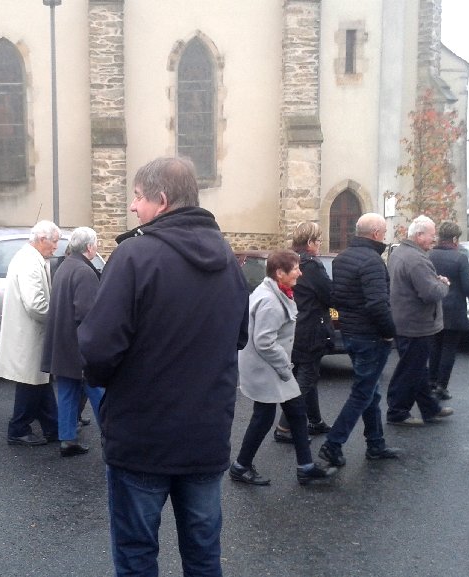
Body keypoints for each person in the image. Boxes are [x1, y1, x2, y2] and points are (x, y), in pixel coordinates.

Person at [78, 157, 249, 576]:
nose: (133, 206)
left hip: (142, 436)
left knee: (137, 555)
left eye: (138, 197)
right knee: (204, 555)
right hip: (206, 435)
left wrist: (105, 389)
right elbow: (238, 338)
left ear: (162, 199)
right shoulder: (228, 261)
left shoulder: (134, 256)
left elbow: (97, 348)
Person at [230, 249, 337, 486]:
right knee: (264, 417)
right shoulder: (270, 302)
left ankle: (305, 467)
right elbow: (264, 342)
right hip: (268, 368)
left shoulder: (273, 290)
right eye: (296, 268)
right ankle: (240, 466)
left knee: (296, 412)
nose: (300, 272)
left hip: (269, 367)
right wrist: (285, 366)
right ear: (280, 273)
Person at [318, 213, 400, 467]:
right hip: (370, 337)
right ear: (376, 234)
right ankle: (333, 443)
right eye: (384, 232)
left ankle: (375, 443)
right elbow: (377, 304)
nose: (384, 237)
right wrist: (389, 331)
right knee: (363, 393)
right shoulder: (373, 261)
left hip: (351, 333)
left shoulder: (342, 258)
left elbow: (337, 296)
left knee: (370, 390)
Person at [40, 226, 104, 457]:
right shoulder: (85, 272)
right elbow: (87, 313)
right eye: (96, 244)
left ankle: (67, 439)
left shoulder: (65, 266)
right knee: (98, 390)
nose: (97, 248)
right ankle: (113, 437)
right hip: (78, 345)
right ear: (90, 247)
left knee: (67, 391)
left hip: (62, 342)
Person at [385, 215, 453, 426]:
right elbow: (430, 293)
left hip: (403, 319)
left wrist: (433, 281)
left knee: (417, 368)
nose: (434, 239)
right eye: (432, 235)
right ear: (419, 235)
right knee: (410, 370)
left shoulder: (400, 253)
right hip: (416, 324)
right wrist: (443, 284)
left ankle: (430, 409)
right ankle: (397, 412)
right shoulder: (416, 259)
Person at [0, 220, 61, 447]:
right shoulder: (30, 262)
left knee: (39, 380)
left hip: (29, 332)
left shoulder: (30, 258)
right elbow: (36, 305)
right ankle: (18, 429)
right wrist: (57, 318)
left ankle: (53, 427)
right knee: (31, 381)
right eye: (54, 242)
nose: (56, 247)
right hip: (30, 333)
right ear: (42, 239)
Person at [273, 222, 334, 444]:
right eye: (318, 241)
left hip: (292, 326)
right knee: (305, 378)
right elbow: (329, 295)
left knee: (308, 375)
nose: (319, 245)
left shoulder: (287, 261)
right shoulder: (312, 265)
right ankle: (284, 427)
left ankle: (315, 421)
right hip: (310, 327)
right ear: (309, 242)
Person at [427, 220, 469, 400]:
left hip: (433, 306)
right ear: (455, 239)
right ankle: (442, 386)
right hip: (454, 309)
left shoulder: (429, 255)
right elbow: (468, 285)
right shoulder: (460, 258)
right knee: (448, 348)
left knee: (435, 346)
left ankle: (431, 382)